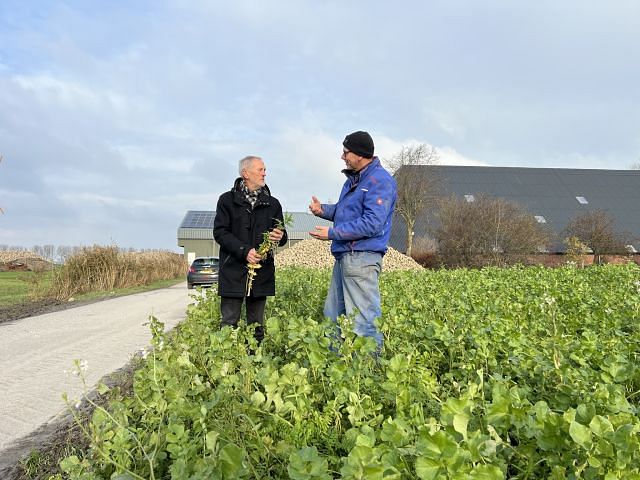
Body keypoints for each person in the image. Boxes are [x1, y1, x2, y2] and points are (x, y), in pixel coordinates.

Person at [309, 131, 397, 351]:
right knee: (333, 316)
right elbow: (346, 211)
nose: (342, 156)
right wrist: (323, 210)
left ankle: (367, 375)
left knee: (363, 321)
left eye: (346, 152)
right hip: (345, 256)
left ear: (360, 154)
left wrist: (332, 233)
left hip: (363, 258)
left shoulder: (380, 181)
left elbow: (371, 223)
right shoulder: (354, 180)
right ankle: (335, 369)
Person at [214, 155, 288, 343]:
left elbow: (282, 235)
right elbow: (220, 233)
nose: (265, 173)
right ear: (245, 173)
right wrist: (244, 250)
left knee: (256, 325)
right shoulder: (226, 201)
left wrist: (280, 236)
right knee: (229, 323)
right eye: (260, 169)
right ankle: (228, 363)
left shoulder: (273, 204)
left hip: (261, 273)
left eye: (264, 169)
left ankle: (255, 364)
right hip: (233, 271)